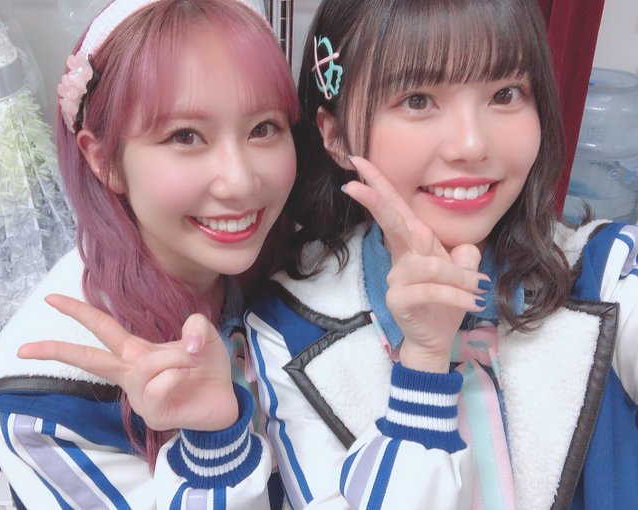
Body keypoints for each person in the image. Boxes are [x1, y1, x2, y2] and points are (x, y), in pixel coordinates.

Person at [244, 0, 638, 508]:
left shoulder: (606, 274)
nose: (471, 145)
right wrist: (424, 368)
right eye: (418, 100)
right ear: (335, 135)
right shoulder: (289, 329)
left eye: (505, 94)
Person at [0, 0, 298, 508]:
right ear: (103, 159)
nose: (240, 182)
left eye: (263, 128)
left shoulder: (300, 267)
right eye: (186, 136)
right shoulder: (40, 409)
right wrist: (214, 444)